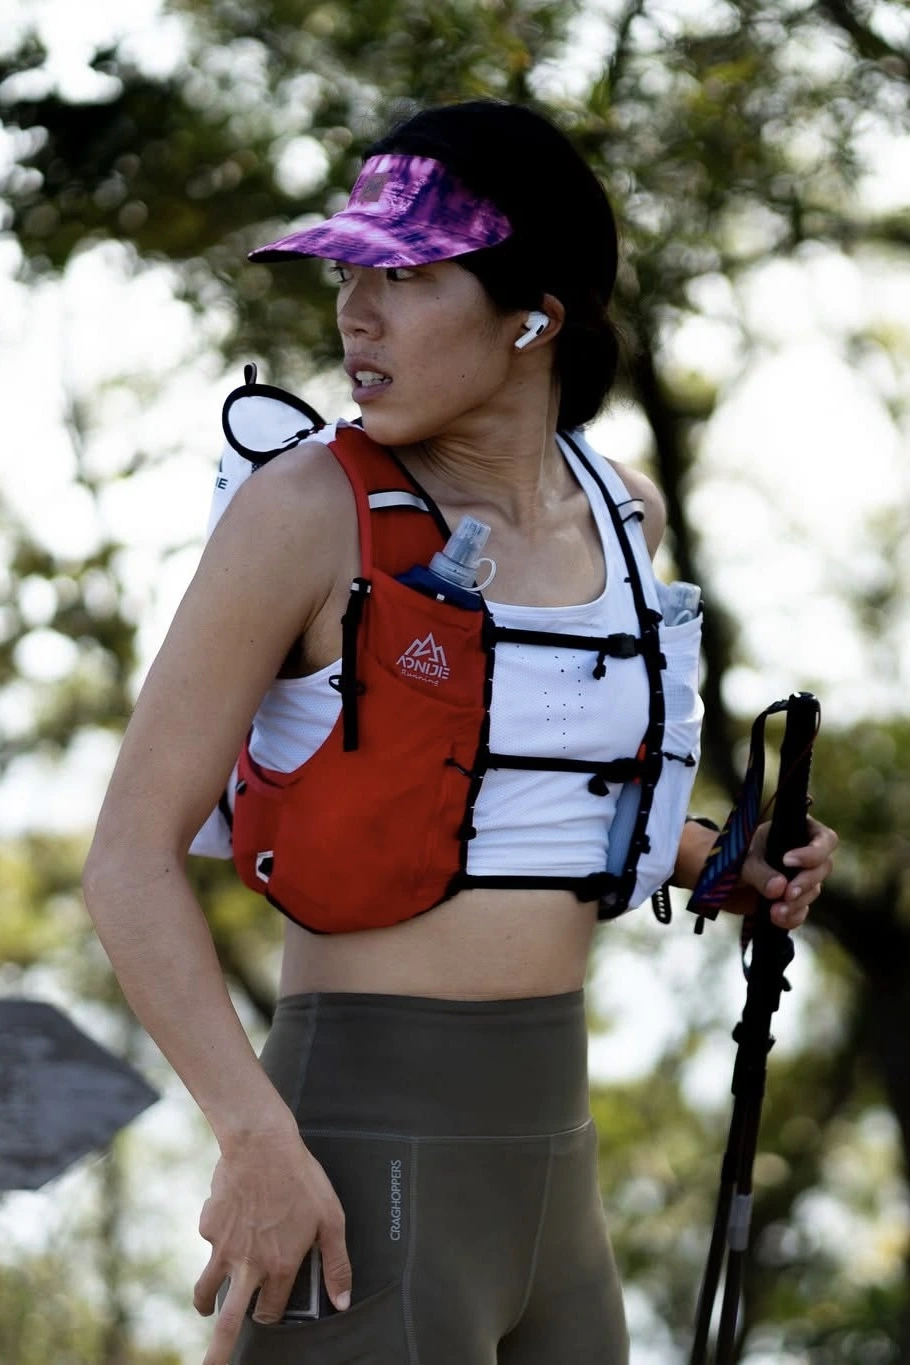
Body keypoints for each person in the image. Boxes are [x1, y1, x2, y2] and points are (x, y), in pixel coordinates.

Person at [82, 100, 838, 1365]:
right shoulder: (303, 512)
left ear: (533, 316)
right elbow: (127, 858)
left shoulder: (625, 517)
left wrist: (721, 860)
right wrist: (252, 1137)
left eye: (405, 276)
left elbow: (523, 795)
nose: (353, 314)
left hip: (558, 1174)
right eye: (349, 276)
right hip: (349, 1162)